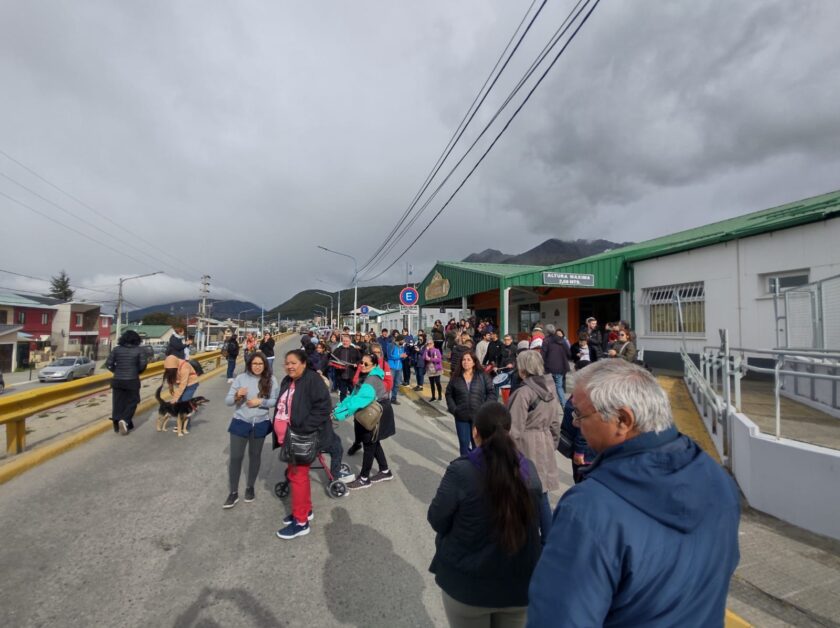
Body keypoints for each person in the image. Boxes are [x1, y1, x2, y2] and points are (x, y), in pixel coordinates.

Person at [527, 360, 741, 626]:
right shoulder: (717, 478)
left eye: (580, 415)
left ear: (623, 420)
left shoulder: (588, 509)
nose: (576, 424)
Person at [428, 402, 544, 628]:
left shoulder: (461, 471)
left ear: (475, 432)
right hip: (519, 587)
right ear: (508, 431)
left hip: (467, 588)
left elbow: (437, 518)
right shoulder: (528, 469)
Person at [272, 349, 333, 540]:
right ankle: (305, 511)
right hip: (288, 438)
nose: (289, 366)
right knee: (297, 475)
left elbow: (323, 407)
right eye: (286, 363)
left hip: (301, 437)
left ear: (304, 363)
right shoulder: (287, 380)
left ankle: (301, 523)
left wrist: (302, 428)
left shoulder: (312, 380)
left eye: (293, 363)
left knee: (298, 477)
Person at [506, 349, 562, 539]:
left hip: (526, 444)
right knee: (541, 494)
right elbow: (556, 422)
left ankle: (530, 542)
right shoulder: (551, 388)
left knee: (526, 494)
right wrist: (551, 443)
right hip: (544, 440)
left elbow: (513, 429)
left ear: (523, 368)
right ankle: (549, 538)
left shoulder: (523, 393)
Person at [223, 352, 279, 508]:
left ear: (265, 365)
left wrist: (260, 402)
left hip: (260, 423)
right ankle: (233, 492)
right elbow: (227, 401)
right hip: (240, 422)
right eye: (254, 364)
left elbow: (276, 400)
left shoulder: (271, 379)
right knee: (235, 457)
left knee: (255, 456)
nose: (257, 367)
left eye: (260, 364)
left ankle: (250, 487)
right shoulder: (241, 379)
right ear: (249, 364)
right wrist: (236, 395)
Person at [333, 355, 396, 490]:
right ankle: (385, 471)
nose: (362, 365)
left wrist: (339, 414)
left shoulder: (371, 380)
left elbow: (358, 401)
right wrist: (338, 408)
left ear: (374, 366)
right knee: (374, 441)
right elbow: (353, 396)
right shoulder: (364, 376)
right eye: (361, 362)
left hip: (376, 413)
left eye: (366, 364)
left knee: (369, 444)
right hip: (372, 411)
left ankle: (364, 479)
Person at [445, 351, 494, 456]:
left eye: (468, 360)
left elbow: (491, 393)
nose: (465, 362)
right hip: (461, 416)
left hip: (478, 417)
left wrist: (485, 409)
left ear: (474, 362)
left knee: (477, 445)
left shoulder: (482, 376)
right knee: (464, 445)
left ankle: (476, 468)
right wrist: (454, 409)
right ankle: (465, 468)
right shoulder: (455, 377)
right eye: (463, 360)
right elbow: (448, 394)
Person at [105, 329, 148, 435]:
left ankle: (116, 425)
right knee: (133, 401)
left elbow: (108, 364)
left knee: (118, 402)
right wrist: (136, 372)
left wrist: (116, 371)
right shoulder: (139, 350)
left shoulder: (116, 350)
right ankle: (125, 420)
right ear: (136, 340)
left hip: (117, 380)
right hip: (132, 380)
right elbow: (143, 365)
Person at [540, 323, 571, 407]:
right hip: (561, 366)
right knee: (559, 387)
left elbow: (543, 354)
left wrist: (541, 364)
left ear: (546, 331)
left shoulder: (546, 340)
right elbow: (568, 353)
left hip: (549, 367)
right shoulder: (562, 340)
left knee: (549, 387)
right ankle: (564, 406)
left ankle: (550, 407)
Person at [332, 334, 361, 402]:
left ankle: (352, 407)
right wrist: (336, 364)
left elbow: (360, 359)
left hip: (351, 375)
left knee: (353, 392)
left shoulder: (354, 350)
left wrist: (356, 364)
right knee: (342, 393)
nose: (345, 342)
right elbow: (332, 359)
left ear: (350, 341)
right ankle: (342, 407)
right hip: (341, 375)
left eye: (347, 341)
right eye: (344, 341)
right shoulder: (338, 350)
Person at [421, 337, 443, 401]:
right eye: (428, 344)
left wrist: (430, 359)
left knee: (437, 382)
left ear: (433, 344)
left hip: (436, 369)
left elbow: (439, 359)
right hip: (430, 369)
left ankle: (440, 395)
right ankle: (433, 396)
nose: (429, 345)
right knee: (431, 383)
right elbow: (423, 358)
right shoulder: (427, 350)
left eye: (430, 343)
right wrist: (426, 350)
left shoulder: (436, 350)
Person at [386, 334, 405, 405]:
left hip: (399, 368)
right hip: (392, 367)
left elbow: (401, 357)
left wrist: (403, 357)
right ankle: (386, 398)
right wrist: (399, 356)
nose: (403, 341)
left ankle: (393, 398)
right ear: (399, 340)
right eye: (402, 340)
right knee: (389, 383)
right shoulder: (391, 345)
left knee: (397, 384)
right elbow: (390, 356)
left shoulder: (401, 347)